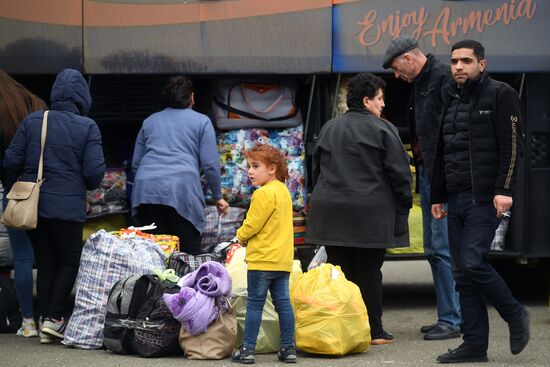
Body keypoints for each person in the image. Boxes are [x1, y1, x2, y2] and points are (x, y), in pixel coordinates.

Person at [430, 40, 529, 363]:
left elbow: (513, 145)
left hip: (485, 197)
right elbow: (444, 148)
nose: (459, 66)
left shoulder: (501, 94)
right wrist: (438, 195)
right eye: (455, 61)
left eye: (466, 61)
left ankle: (515, 313)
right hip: (455, 197)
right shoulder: (449, 95)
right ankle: (474, 346)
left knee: (473, 261)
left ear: (481, 64)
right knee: (462, 274)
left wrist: (505, 189)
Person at [305, 73, 412, 345]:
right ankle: (374, 331)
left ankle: (344, 328)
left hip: (331, 211)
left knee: (341, 271)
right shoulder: (384, 129)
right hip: (370, 211)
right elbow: (400, 175)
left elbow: (316, 170)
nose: (383, 105)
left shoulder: (330, 128)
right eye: (379, 99)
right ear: (367, 101)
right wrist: (403, 204)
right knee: (369, 271)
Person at [3, 68, 105, 343]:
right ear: (82, 96)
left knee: (46, 259)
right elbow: (95, 173)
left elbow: (11, 160)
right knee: (69, 260)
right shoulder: (88, 127)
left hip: (34, 205)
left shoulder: (33, 121)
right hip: (68, 208)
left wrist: (16, 186)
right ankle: (55, 318)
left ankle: (47, 319)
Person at [383, 37, 461, 340]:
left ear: (408, 59)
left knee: (440, 249)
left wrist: (439, 180)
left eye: (396, 68)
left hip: (438, 174)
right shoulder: (423, 82)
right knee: (434, 249)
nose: (396, 75)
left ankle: (452, 320)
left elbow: (447, 132)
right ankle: (450, 315)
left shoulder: (440, 78)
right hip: (430, 172)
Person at [131, 75, 228, 254]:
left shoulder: (150, 121)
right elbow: (210, 164)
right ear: (191, 97)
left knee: (154, 254)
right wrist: (218, 197)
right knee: (187, 253)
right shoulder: (201, 121)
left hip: (147, 191)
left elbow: (136, 164)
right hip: (181, 189)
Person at [231, 143, 296, 364]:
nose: (250, 171)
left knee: (255, 305)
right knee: (283, 304)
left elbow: (252, 224)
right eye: (249, 166)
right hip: (282, 261)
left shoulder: (262, 194)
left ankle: (247, 349)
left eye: (255, 166)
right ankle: (288, 348)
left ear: (272, 168)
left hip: (262, 261)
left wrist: (238, 237)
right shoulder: (284, 191)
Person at [0, 69, 46, 338]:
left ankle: (28, 321)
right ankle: (51, 316)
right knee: (46, 255)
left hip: (13, 192)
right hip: (40, 190)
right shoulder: (33, 104)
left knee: (22, 256)